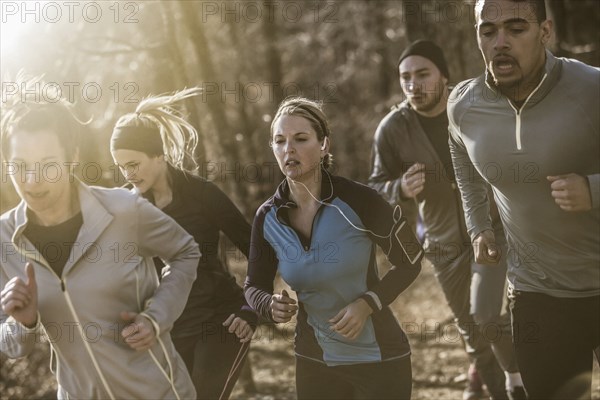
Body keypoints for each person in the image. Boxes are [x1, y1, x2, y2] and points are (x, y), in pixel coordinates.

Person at [0, 77, 199, 399]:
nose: (32, 181)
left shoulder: (124, 210)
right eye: (19, 166)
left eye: (48, 165)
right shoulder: (3, 239)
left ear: (72, 157)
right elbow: (9, 342)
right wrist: (22, 324)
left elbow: (186, 252)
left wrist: (156, 317)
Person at [448, 0, 599, 398]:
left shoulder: (591, 89)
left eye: (516, 29)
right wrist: (478, 224)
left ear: (545, 32)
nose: (500, 42)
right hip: (537, 293)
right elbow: (461, 157)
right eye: (488, 30)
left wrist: (593, 190)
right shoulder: (464, 106)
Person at [369, 40, 524, 400]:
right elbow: (374, 187)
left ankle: (517, 383)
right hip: (443, 245)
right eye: (406, 77)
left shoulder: (476, 105)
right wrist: (399, 188)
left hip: (493, 229)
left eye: (423, 74)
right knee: (473, 331)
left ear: (444, 76)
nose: (413, 85)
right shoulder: (392, 129)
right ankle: (495, 387)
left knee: (492, 316)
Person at [244, 97, 423, 400]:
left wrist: (367, 303)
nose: (289, 148)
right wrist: (268, 305)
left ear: (324, 144)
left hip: (379, 358)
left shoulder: (361, 201)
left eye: (301, 139)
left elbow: (412, 260)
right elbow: (254, 285)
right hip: (314, 360)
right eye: (280, 141)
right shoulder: (267, 217)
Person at [110, 87, 257, 400]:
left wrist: (250, 310)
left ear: (159, 156)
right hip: (169, 330)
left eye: (133, 164)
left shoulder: (203, 195)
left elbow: (258, 250)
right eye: (122, 167)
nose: (128, 174)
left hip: (222, 321)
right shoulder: (127, 207)